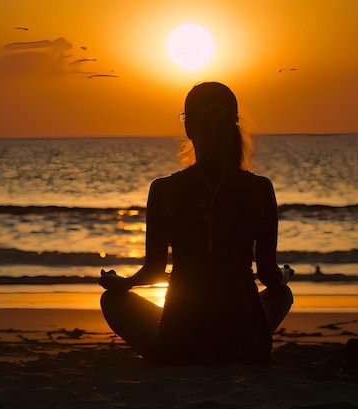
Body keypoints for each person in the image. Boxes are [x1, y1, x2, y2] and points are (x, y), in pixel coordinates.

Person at [99, 82, 293, 366]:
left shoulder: (164, 189)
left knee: (112, 302)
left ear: (188, 129)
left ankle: (164, 355)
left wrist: (120, 283)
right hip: (247, 343)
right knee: (282, 294)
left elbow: (153, 271)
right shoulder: (259, 188)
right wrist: (287, 274)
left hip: (180, 339)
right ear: (233, 124)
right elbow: (269, 276)